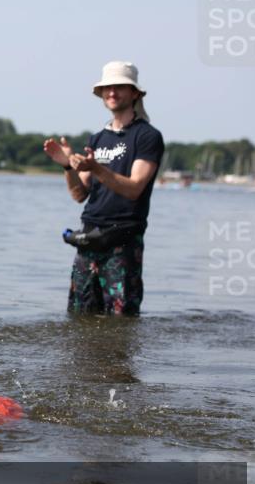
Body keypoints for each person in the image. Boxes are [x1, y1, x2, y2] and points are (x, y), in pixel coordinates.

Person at [43, 61, 164, 316]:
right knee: (79, 317)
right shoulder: (97, 138)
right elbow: (79, 194)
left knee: (122, 320)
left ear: (135, 93)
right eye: (107, 87)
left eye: (119, 87)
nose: (112, 92)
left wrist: (96, 168)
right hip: (88, 239)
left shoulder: (147, 136)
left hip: (123, 240)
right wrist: (67, 167)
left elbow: (134, 189)